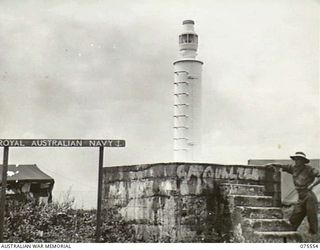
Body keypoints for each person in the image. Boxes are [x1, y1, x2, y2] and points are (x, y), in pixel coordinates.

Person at [266, 152, 320, 234]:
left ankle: (313, 236)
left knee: (312, 218)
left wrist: (312, 185)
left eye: (299, 159)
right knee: (294, 218)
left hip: (309, 196)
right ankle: (290, 234)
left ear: (303, 161)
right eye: (296, 159)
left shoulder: (310, 169)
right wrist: (272, 164)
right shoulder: (293, 168)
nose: (297, 161)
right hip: (300, 197)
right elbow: (282, 166)